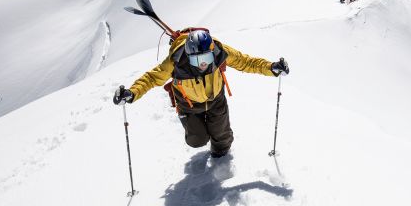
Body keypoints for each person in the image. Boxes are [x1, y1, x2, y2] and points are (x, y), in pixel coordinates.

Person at [113, 29, 289, 158]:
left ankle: (220, 158)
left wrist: (271, 68)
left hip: (215, 99)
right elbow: (152, 78)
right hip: (188, 104)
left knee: (223, 139)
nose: (203, 64)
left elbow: (246, 62)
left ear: (211, 52)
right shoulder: (177, 60)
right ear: (188, 56)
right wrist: (131, 93)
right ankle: (199, 133)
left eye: (206, 58)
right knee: (196, 141)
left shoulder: (219, 50)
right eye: (197, 60)